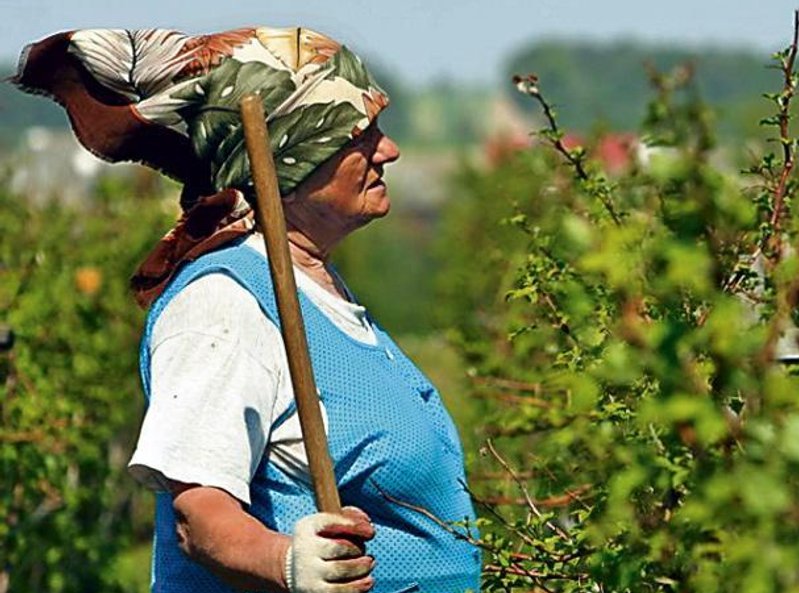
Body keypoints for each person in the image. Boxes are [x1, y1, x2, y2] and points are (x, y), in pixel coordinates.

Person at [15, 26, 481, 593]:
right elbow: (199, 514)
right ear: (292, 163)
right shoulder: (224, 304)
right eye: (360, 134)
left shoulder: (319, 290)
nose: (389, 149)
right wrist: (288, 561)